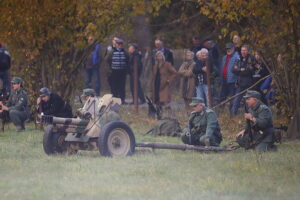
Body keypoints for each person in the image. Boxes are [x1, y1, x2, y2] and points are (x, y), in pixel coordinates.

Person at [151, 51, 177, 117]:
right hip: (156, 85)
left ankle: (169, 116)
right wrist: (151, 85)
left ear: (163, 57)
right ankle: (159, 115)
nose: (159, 57)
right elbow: (153, 76)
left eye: (160, 55)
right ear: (156, 57)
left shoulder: (167, 64)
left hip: (164, 85)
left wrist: (168, 80)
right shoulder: (155, 66)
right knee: (157, 101)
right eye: (157, 56)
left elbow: (174, 73)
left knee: (165, 101)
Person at [231, 45, 255, 115]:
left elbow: (249, 71)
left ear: (247, 51)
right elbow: (233, 69)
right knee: (237, 99)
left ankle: (250, 115)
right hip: (240, 83)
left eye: (244, 50)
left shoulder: (251, 58)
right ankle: (233, 115)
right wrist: (240, 69)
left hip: (248, 83)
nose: (243, 52)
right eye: (242, 50)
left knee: (249, 100)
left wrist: (239, 70)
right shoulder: (238, 58)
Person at [106, 39, 129, 104]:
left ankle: (122, 99)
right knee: (114, 86)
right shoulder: (111, 52)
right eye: (118, 44)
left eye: (120, 44)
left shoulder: (125, 52)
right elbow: (107, 60)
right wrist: (109, 70)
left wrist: (126, 69)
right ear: (116, 45)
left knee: (122, 86)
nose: (119, 46)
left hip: (122, 71)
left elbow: (127, 60)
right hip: (114, 71)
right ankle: (115, 100)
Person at [219, 43, 240, 113]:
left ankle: (232, 114)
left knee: (232, 97)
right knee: (222, 97)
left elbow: (237, 70)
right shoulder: (224, 57)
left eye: (230, 48)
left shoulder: (237, 57)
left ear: (233, 48)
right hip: (224, 80)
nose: (228, 50)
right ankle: (220, 112)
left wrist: (236, 80)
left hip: (232, 81)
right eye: (227, 49)